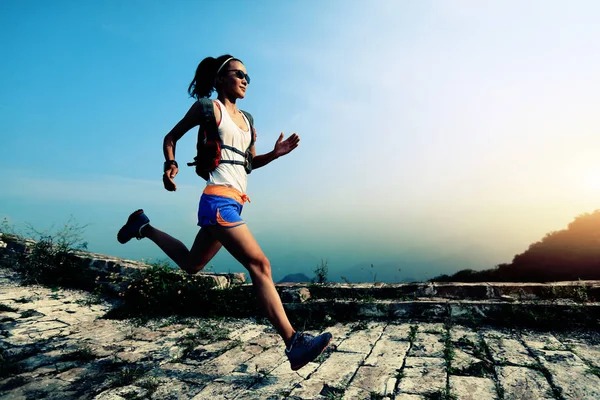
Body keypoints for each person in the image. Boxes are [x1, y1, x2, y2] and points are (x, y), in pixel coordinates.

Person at [117, 54, 332, 371]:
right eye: (238, 73)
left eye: (248, 75)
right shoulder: (209, 109)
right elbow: (171, 137)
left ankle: (143, 226)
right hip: (217, 200)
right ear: (220, 79)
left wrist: (275, 153)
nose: (245, 79)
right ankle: (293, 343)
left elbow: (248, 164)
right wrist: (170, 165)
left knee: (192, 264)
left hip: (235, 201)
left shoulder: (247, 120)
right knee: (260, 264)